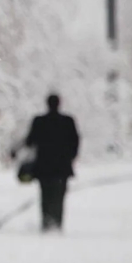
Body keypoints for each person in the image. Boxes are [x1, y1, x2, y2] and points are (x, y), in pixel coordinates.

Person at [14, 94, 80, 232]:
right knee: (59, 196)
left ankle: (46, 222)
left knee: (45, 195)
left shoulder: (39, 121)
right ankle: (57, 223)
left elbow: (30, 141)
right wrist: (70, 157)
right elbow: (75, 141)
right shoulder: (68, 121)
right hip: (62, 167)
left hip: (44, 167)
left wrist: (16, 150)